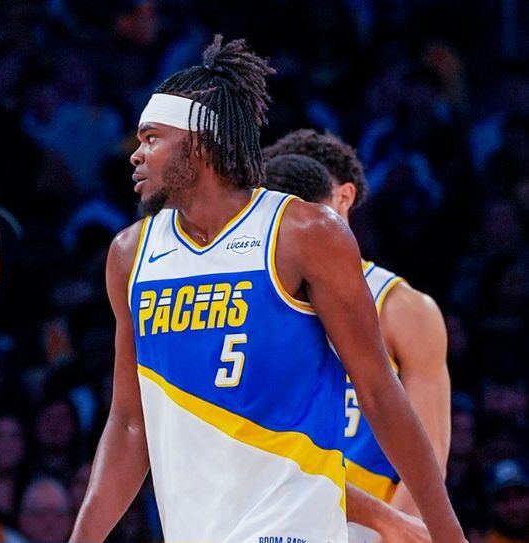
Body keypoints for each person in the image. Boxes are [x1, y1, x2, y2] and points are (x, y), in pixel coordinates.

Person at [70, 35, 465, 543]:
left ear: (200, 145)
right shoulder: (129, 254)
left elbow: (379, 392)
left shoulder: (303, 232)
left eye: (152, 139)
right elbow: (129, 425)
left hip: (292, 528)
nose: (136, 155)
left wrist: (446, 532)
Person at [263, 128, 451, 542]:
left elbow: (430, 457)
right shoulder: (255, 300)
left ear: (343, 197)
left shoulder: (403, 308)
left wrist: (392, 534)